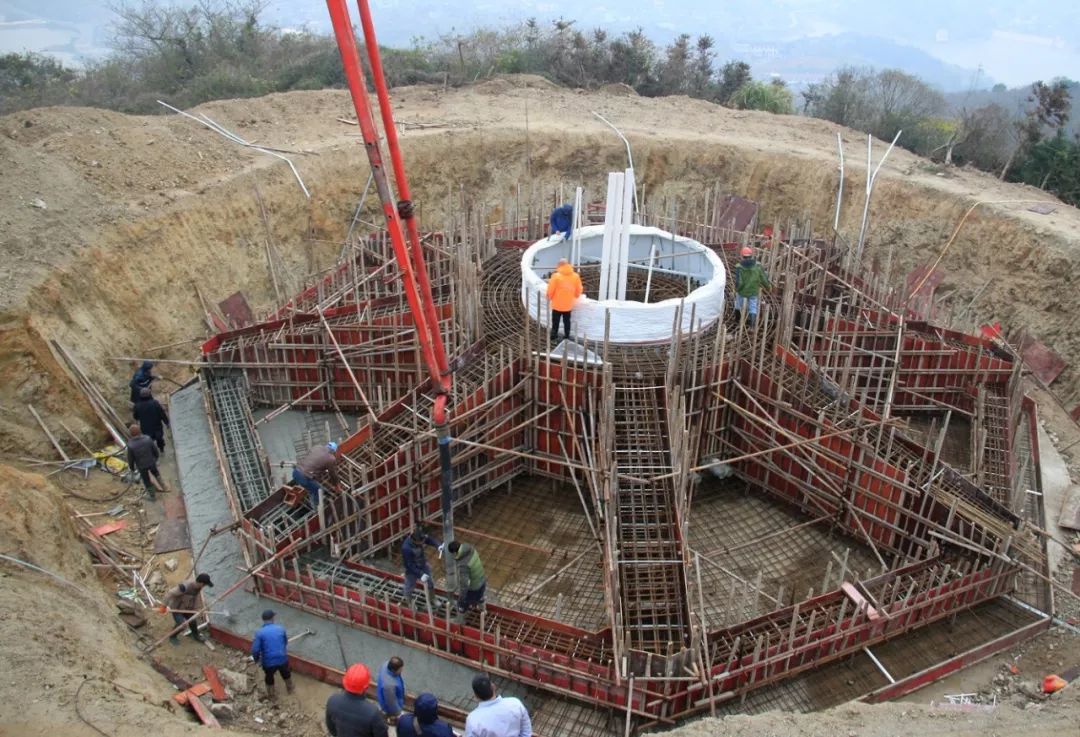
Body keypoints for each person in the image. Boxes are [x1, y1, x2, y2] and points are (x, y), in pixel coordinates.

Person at [325, 663, 388, 737]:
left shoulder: (333, 701)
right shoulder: (372, 712)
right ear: (366, 686)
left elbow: (331, 728)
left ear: (345, 682)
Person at [464, 674, 531, 737]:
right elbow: (526, 732)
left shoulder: (473, 720)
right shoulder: (515, 703)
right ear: (493, 686)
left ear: (476, 695)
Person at [250, 609, 293, 699]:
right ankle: (290, 689)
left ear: (263, 620)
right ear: (272, 618)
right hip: (282, 658)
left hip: (269, 662)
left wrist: (257, 660)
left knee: (269, 677)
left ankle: (271, 695)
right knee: (286, 673)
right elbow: (285, 642)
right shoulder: (281, 629)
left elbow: (255, 650)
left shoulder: (259, 633)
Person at [163, 572, 213, 645]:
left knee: (193, 620)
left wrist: (197, 609)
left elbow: (194, 598)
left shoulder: (198, 588)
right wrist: (163, 606)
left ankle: (195, 635)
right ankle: (172, 636)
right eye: (204, 585)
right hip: (177, 608)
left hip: (188, 607)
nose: (204, 587)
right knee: (182, 625)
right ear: (202, 583)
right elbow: (170, 594)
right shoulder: (185, 587)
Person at [545, 258, 583, 343]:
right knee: (567, 321)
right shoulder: (575, 276)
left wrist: (549, 296)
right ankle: (566, 336)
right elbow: (579, 289)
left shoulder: (556, 276)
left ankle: (553, 337)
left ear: (559, 265)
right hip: (568, 304)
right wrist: (576, 295)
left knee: (555, 321)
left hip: (557, 304)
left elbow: (551, 289)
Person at [401, 526, 441, 606]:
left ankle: (432, 598)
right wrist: (420, 574)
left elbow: (428, 539)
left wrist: (438, 545)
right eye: (421, 542)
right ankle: (409, 602)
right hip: (412, 570)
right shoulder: (406, 548)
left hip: (422, 564)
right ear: (414, 541)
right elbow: (409, 565)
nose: (423, 543)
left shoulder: (419, 537)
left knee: (430, 583)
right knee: (409, 586)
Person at [733, 245, 771, 328]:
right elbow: (764, 278)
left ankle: (737, 322)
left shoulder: (739, 267)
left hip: (742, 291)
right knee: (753, 307)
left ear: (742, 256)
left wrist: (737, 289)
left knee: (738, 304)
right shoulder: (758, 266)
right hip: (753, 291)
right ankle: (752, 325)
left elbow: (739, 282)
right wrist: (768, 287)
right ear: (751, 255)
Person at [293, 441, 340, 506]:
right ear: (334, 451)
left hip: (296, 472)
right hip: (304, 477)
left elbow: (311, 459)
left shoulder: (317, 447)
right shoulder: (331, 458)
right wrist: (337, 486)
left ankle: (310, 492)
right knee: (318, 491)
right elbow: (333, 474)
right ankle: (316, 510)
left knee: (312, 486)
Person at [127, 423, 165, 500]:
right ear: (140, 431)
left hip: (141, 466)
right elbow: (155, 451)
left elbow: (131, 459)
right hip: (151, 462)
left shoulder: (130, 445)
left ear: (131, 433)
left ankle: (152, 495)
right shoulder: (147, 439)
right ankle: (163, 486)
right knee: (156, 473)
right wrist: (155, 459)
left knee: (146, 481)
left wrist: (132, 468)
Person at [447, 541, 486, 615]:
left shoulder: (463, 564)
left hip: (475, 588)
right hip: (482, 580)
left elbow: (464, 584)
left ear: (455, 553)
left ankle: (460, 620)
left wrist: (461, 598)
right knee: (480, 596)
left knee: (462, 603)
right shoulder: (471, 549)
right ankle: (483, 611)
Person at [133, 387, 170, 452]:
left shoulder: (137, 406)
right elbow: (161, 413)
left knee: (148, 441)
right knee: (159, 439)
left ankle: (152, 452)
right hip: (157, 427)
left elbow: (136, 417)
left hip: (145, 428)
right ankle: (161, 449)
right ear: (149, 395)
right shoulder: (155, 403)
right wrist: (166, 423)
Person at [376, 656, 405, 723]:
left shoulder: (386, 665)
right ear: (393, 670)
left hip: (384, 696)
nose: (402, 670)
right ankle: (390, 719)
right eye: (400, 669)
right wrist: (399, 713)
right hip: (388, 705)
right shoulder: (389, 685)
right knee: (392, 715)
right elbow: (392, 703)